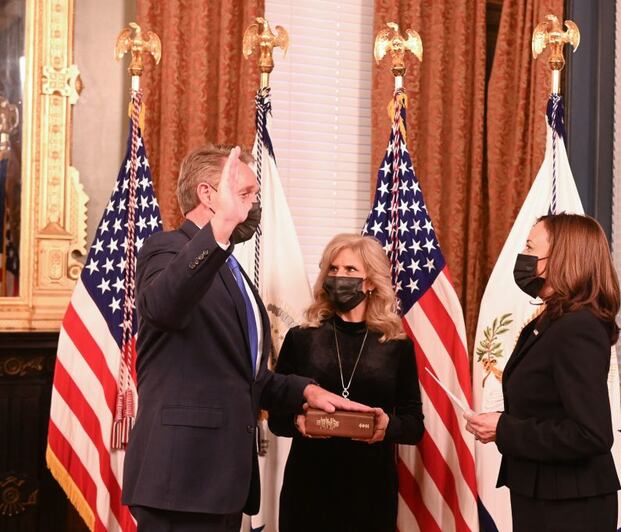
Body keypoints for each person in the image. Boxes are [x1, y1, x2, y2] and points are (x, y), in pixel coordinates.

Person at [122, 145, 370, 531]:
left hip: (222, 480)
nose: (255, 204)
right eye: (245, 194)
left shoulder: (232, 271)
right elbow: (163, 307)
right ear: (208, 194)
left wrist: (305, 392)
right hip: (180, 477)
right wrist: (220, 228)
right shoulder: (167, 248)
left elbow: (239, 375)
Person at [465, 213, 621, 532]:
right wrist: (501, 423)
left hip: (570, 507)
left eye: (530, 246)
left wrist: (505, 429)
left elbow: (591, 434)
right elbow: (546, 404)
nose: (522, 255)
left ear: (560, 258)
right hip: (543, 493)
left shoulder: (578, 328)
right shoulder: (550, 322)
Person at [269, 233, 424, 532]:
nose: (340, 276)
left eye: (350, 270)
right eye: (333, 269)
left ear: (370, 282)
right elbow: (276, 418)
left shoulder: (397, 345)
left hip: (370, 492)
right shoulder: (301, 338)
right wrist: (298, 422)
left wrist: (385, 427)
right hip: (308, 488)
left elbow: (414, 425)